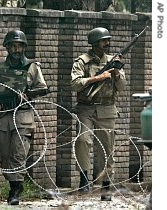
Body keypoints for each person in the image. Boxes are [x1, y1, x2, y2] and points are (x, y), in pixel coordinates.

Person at [0, 30, 48, 205]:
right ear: (7, 47)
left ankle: (15, 190)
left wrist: (28, 95)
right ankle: (14, 183)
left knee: (18, 153)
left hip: (23, 116)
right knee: (3, 155)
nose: (17, 49)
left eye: (20, 46)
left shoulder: (32, 66)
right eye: (13, 45)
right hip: (2, 116)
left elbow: (42, 87)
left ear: (24, 47)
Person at [71, 27, 126, 201]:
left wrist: (117, 74)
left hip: (107, 108)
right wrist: (98, 77)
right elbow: (75, 84)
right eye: (103, 41)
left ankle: (106, 186)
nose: (107, 44)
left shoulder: (113, 61)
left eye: (108, 40)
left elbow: (121, 87)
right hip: (86, 108)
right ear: (94, 43)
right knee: (82, 140)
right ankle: (84, 179)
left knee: (106, 148)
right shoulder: (81, 61)